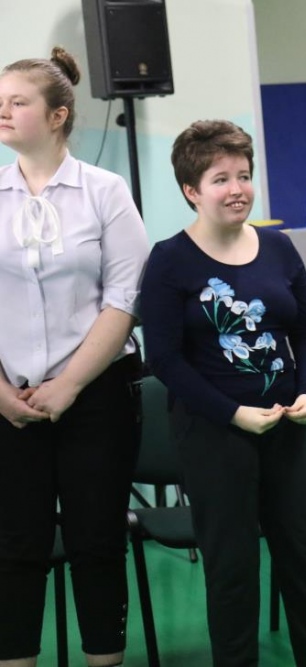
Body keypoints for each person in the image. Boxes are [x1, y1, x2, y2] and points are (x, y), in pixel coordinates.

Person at [140, 120, 306, 667]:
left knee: (302, 558)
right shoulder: (169, 260)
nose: (237, 190)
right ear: (191, 190)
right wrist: (233, 413)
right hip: (213, 434)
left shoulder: (279, 247)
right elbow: (163, 358)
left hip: (288, 428)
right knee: (231, 568)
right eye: (220, 179)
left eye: (244, 175)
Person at [0, 48, 148, 667]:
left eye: (17, 101)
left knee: (96, 540)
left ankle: (103, 659)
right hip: (9, 401)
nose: (3, 111)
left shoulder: (104, 191)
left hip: (96, 397)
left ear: (58, 116)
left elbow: (126, 298)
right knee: (15, 546)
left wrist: (69, 385)